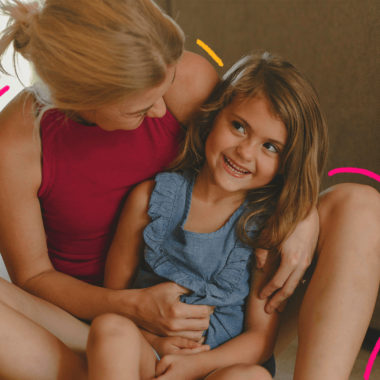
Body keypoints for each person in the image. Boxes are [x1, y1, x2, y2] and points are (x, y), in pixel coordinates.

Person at [0, 0, 378, 379]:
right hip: (93, 329)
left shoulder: (183, 76)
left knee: (362, 206)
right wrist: (133, 310)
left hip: (224, 334)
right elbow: (33, 279)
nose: (162, 112)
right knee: (107, 336)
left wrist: (300, 215)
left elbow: (257, 154)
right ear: (85, 97)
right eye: (142, 107)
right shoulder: (16, 143)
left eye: (164, 90)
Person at [86, 52, 328, 380]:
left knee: (253, 378)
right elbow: (115, 300)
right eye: (239, 126)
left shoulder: (267, 228)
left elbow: (261, 340)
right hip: (151, 357)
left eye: (270, 147)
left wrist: (194, 366)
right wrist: (153, 340)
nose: (245, 151)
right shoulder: (148, 200)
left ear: (287, 163)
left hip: (216, 368)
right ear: (213, 117)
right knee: (109, 328)